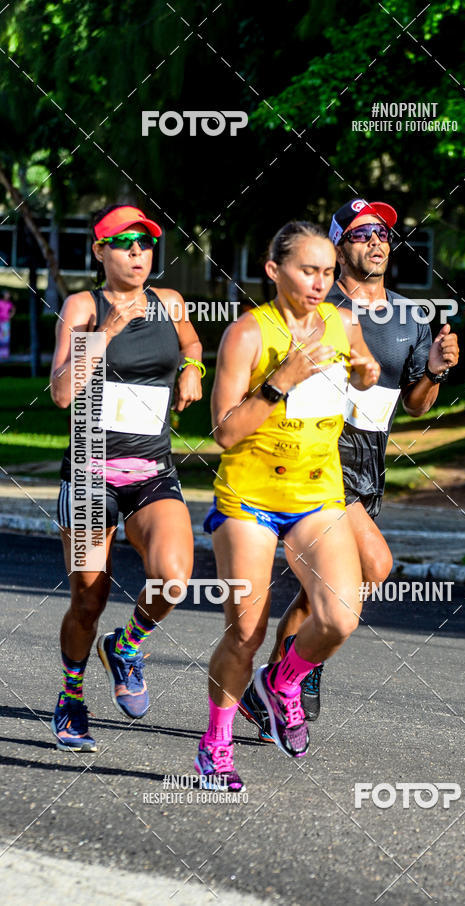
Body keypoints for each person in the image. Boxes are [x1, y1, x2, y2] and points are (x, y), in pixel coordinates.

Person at [240, 197, 460, 737]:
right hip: (325, 453)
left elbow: (415, 404)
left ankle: (271, 683)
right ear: (339, 246)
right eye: (362, 233)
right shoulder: (319, 308)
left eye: (384, 232)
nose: (377, 241)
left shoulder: (410, 316)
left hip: (372, 461)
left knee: (324, 583)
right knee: (376, 566)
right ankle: (293, 675)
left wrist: (434, 371)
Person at [195, 220, 380, 791]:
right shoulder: (248, 334)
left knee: (340, 617)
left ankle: (284, 681)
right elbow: (224, 433)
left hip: (318, 493)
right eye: (307, 270)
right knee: (246, 635)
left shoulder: (342, 322)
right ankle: (215, 746)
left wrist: (367, 373)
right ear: (275, 270)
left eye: (327, 271)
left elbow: (363, 371)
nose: (320, 282)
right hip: (250, 497)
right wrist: (282, 379)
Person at [50, 203, 204, 752]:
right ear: (100, 251)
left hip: (152, 472)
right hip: (91, 473)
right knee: (87, 603)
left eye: (145, 242)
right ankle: (71, 699)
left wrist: (193, 368)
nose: (138, 251)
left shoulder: (170, 302)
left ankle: (128, 645)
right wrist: (107, 332)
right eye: (124, 242)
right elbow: (63, 393)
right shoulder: (81, 306)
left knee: (174, 578)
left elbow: (189, 340)